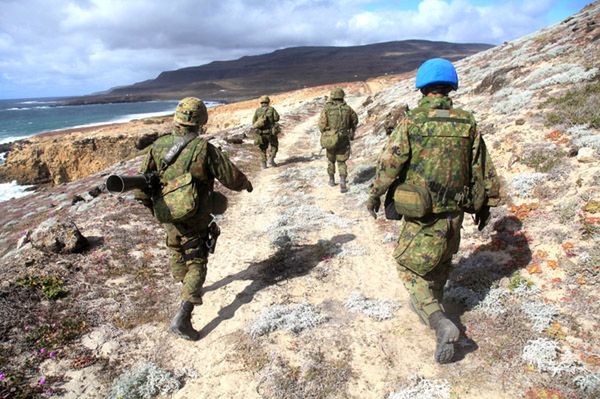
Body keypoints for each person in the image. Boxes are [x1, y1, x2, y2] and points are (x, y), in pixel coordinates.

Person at [366, 59, 500, 363]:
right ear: (450, 86)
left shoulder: (413, 122)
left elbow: (390, 163)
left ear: (422, 87)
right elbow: (482, 167)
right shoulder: (467, 122)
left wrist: (374, 193)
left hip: (422, 214)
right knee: (441, 263)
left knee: (408, 267)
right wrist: (486, 204)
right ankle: (434, 307)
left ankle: (439, 321)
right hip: (456, 214)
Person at [136, 97, 253, 341]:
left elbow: (140, 188)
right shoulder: (203, 148)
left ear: (177, 118)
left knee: (175, 245)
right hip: (195, 216)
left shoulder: (157, 147)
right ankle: (183, 316)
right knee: (197, 261)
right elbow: (230, 177)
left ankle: (184, 281)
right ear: (201, 121)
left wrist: (155, 209)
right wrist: (246, 184)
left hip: (167, 213)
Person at [318, 87, 358, 193]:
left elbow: (321, 125)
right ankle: (343, 182)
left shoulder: (327, 109)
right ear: (342, 96)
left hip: (331, 138)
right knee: (341, 161)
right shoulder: (348, 109)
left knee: (331, 160)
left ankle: (331, 180)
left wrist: (327, 132)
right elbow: (355, 121)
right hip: (343, 138)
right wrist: (349, 130)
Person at [252, 95, 280, 168]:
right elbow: (277, 118)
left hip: (261, 133)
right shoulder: (271, 109)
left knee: (263, 148)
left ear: (261, 102)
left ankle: (263, 164)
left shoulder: (257, 110)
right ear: (268, 101)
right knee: (274, 146)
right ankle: (271, 159)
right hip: (271, 132)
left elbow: (254, 122)